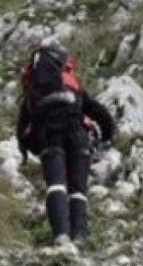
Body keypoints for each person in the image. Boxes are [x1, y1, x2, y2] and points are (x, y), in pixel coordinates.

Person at [15, 45, 116, 247]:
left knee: (55, 185)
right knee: (78, 189)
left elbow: (21, 130)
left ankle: (61, 235)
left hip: (49, 137)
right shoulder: (72, 86)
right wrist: (106, 138)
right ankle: (79, 236)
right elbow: (102, 114)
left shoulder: (33, 93)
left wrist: (31, 150)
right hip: (77, 134)